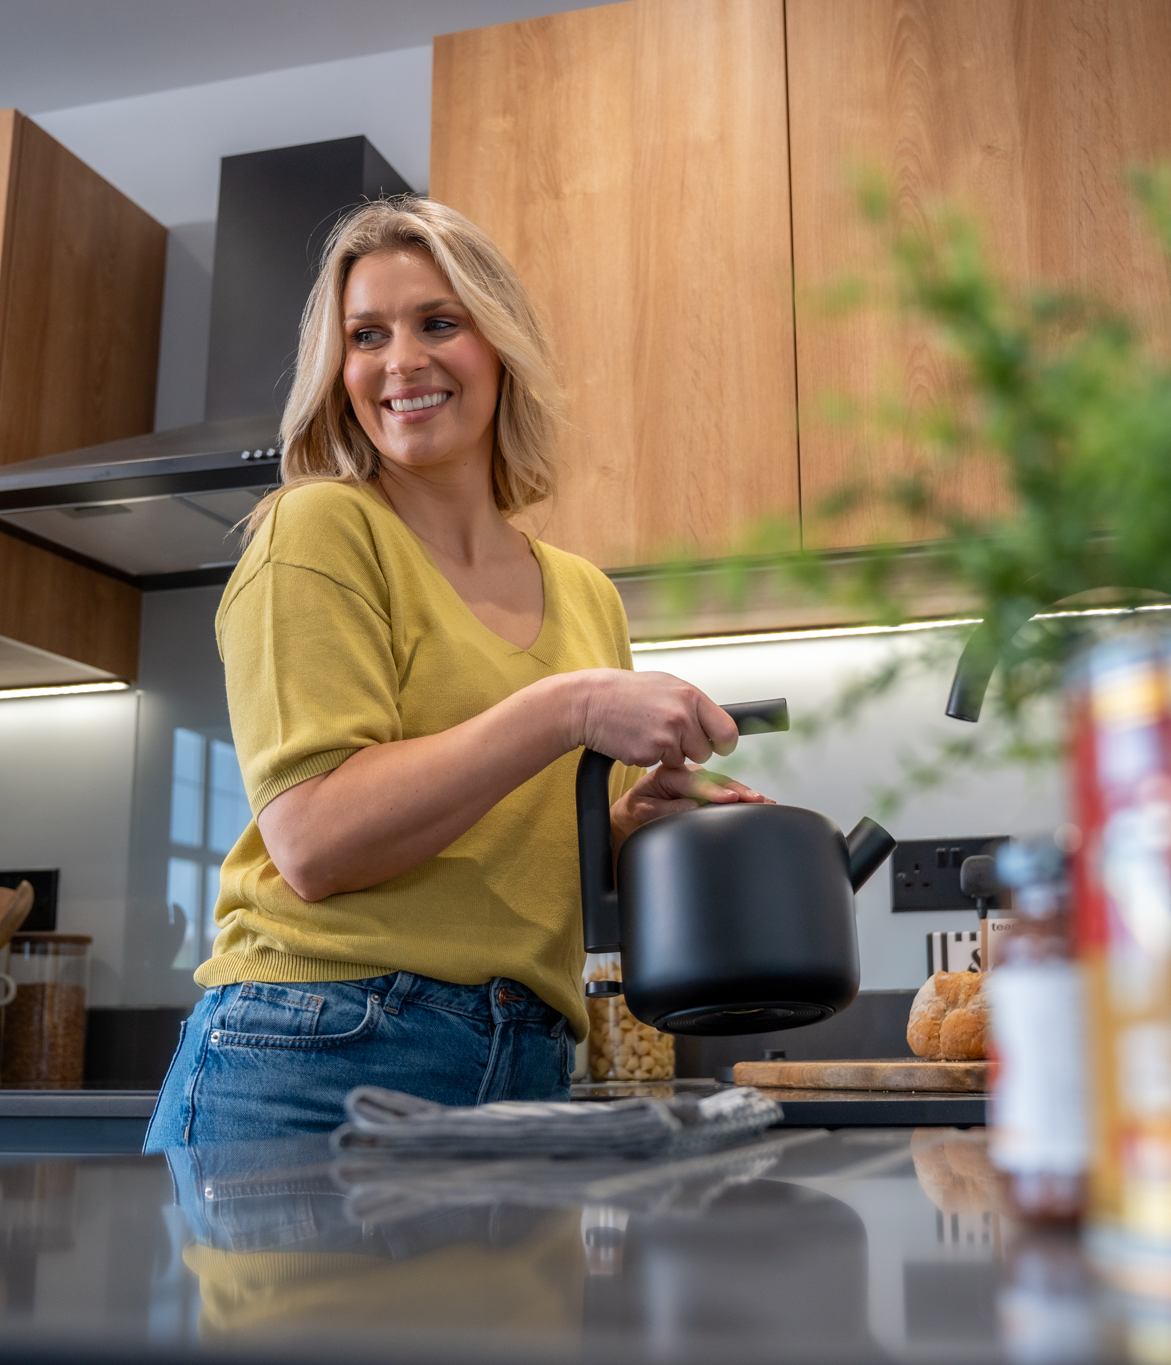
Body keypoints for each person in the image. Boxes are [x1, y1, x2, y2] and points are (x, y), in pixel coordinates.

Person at [144, 199, 769, 1150]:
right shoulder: (320, 530)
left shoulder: (586, 595)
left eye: (439, 322)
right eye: (367, 335)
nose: (401, 361)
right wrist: (570, 707)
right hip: (319, 1050)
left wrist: (622, 832)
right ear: (339, 370)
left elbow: (504, 861)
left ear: (500, 347)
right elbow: (314, 838)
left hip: (525, 1057)